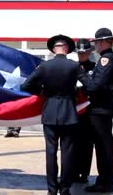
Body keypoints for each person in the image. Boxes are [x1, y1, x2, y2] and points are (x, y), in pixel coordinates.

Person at [21, 34, 80, 195]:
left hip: (50, 111)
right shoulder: (74, 66)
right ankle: (65, 189)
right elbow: (88, 85)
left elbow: (25, 85)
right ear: (66, 48)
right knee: (67, 153)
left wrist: (42, 91)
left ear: (54, 49)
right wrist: (74, 91)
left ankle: (52, 190)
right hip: (69, 112)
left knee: (51, 152)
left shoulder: (44, 67)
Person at [77, 28, 113, 193]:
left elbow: (94, 86)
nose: (94, 46)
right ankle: (104, 181)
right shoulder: (107, 58)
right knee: (103, 146)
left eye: (96, 43)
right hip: (102, 106)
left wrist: (80, 74)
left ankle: (105, 183)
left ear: (103, 42)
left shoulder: (106, 60)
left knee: (104, 146)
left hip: (101, 107)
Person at [73, 38, 96, 184]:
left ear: (89, 52)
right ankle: (72, 171)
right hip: (73, 109)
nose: (82, 55)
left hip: (88, 109)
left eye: (85, 52)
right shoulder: (71, 66)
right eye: (80, 53)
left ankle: (84, 173)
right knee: (72, 142)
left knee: (87, 143)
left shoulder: (94, 66)